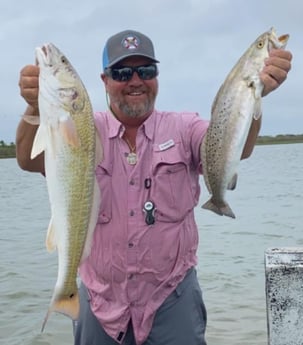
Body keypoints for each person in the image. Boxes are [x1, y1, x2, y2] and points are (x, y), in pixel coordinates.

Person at [16, 30, 292, 345]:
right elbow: (27, 160)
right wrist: (34, 108)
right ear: (105, 80)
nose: (135, 80)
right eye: (122, 72)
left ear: (157, 77)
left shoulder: (186, 127)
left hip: (172, 299)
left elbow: (230, 148)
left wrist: (253, 93)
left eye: (146, 70)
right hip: (100, 302)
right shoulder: (79, 128)